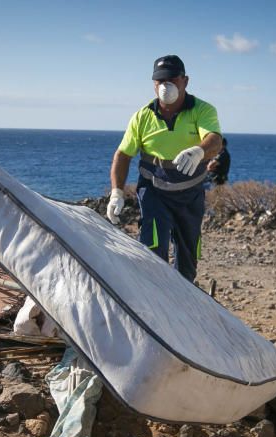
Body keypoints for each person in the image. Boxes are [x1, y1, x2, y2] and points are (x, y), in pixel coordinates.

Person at [106, 55, 223, 283]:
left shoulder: (202, 110)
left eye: (172, 80)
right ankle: (152, 303)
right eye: (160, 81)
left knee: (188, 258)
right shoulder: (142, 117)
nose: (165, 86)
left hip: (190, 194)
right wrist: (116, 193)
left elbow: (215, 139)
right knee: (152, 252)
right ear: (153, 84)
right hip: (154, 192)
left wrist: (199, 151)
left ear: (185, 81)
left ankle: (184, 299)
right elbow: (123, 155)